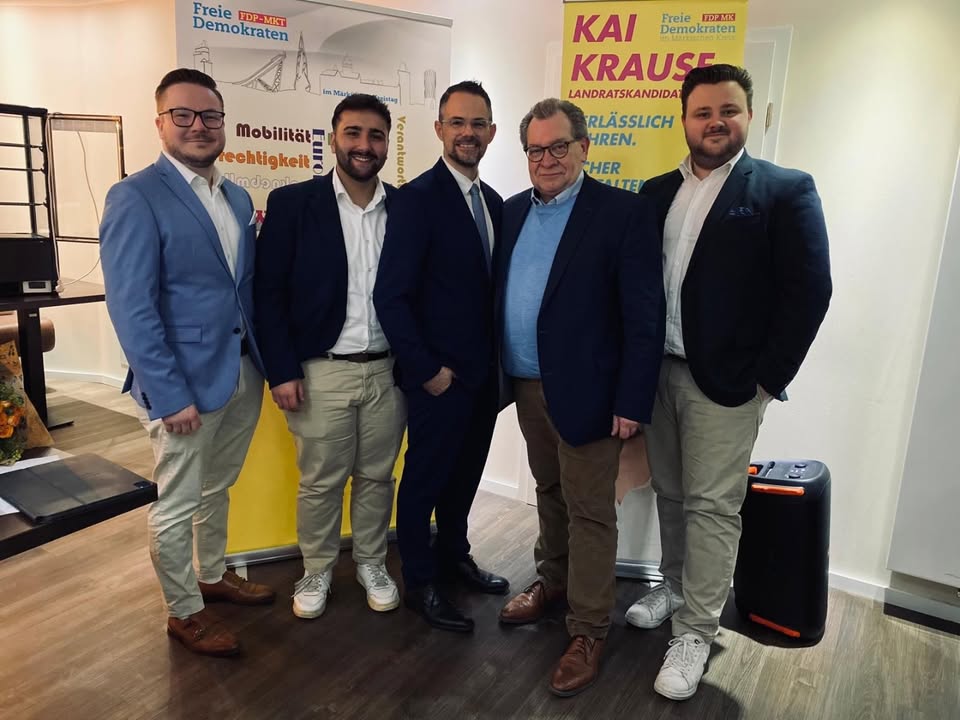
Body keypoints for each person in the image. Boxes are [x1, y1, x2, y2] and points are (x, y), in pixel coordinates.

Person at [630, 63, 832, 700]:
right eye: (703, 112)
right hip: (658, 373)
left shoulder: (783, 190)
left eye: (728, 110)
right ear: (684, 120)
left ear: (748, 115)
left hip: (728, 386)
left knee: (713, 507)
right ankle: (675, 587)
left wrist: (767, 381)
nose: (715, 122)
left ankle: (696, 631)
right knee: (669, 492)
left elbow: (810, 291)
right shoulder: (655, 192)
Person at [100, 68, 275, 658]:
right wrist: (168, 393)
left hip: (241, 372)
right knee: (176, 503)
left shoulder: (237, 197)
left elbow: (241, 291)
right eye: (184, 115)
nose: (199, 126)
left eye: (210, 116)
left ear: (223, 122)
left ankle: (212, 573)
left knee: (217, 486)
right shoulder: (135, 197)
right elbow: (132, 307)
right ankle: (183, 611)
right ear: (160, 123)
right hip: (182, 386)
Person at [495, 98, 664, 697]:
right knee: (549, 491)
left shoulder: (622, 212)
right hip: (526, 385)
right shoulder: (512, 211)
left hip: (592, 391)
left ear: (584, 147)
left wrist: (632, 400)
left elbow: (644, 315)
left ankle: (589, 629)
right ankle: (555, 581)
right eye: (535, 150)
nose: (547, 159)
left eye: (558, 146)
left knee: (591, 510)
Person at [253, 94, 406, 620]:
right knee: (321, 482)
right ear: (334, 137)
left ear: (387, 143)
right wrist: (282, 370)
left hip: (388, 371)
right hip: (321, 371)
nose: (365, 145)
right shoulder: (293, 204)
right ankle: (316, 568)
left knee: (378, 477)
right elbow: (268, 293)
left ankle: (371, 562)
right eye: (353, 133)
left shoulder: (404, 207)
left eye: (376, 135)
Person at [373, 80, 508, 633]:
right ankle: (420, 582)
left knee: (465, 476)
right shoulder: (416, 199)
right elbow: (391, 296)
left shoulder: (495, 203)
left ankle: (455, 555)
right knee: (425, 480)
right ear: (439, 129)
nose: (467, 133)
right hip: (438, 379)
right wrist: (427, 371)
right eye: (457, 122)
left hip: (485, 380)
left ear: (492, 132)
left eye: (477, 124)